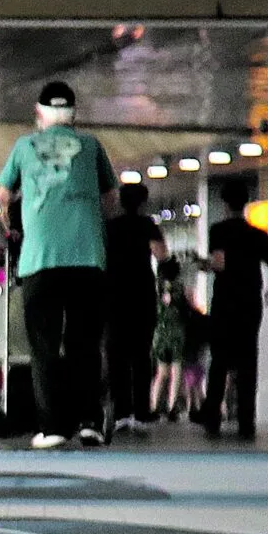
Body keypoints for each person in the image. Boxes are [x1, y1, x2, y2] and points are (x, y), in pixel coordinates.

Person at [0, 81, 115, 449]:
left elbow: (4, 197)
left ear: (39, 113)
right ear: (74, 115)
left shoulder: (23, 147)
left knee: (44, 346)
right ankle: (90, 423)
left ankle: (52, 428)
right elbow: (110, 200)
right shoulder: (92, 146)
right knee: (85, 344)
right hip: (87, 259)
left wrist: (14, 227)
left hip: (39, 261)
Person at [198, 176, 268, 438]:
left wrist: (204, 265)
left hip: (224, 301)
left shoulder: (219, 231)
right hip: (249, 302)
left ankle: (212, 416)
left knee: (219, 361)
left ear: (224, 203)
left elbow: (219, 263)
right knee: (248, 361)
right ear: (246, 203)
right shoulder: (258, 234)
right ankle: (246, 420)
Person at [103, 183, 168, 431]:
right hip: (141, 294)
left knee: (116, 354)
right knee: (141, 355)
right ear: (143, 201)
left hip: (114, 295)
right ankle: (142, 410)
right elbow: (162, 255)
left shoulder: (110, 227)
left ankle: (120, 411)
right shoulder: (147, 225)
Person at [149, 257, 195, 422]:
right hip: (176, 334)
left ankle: (153, 405)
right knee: (176, 371)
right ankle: (171, 406)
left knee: (161, 373)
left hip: (160, 334)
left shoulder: (155, 288)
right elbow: (189, 309)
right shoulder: (180, 289)